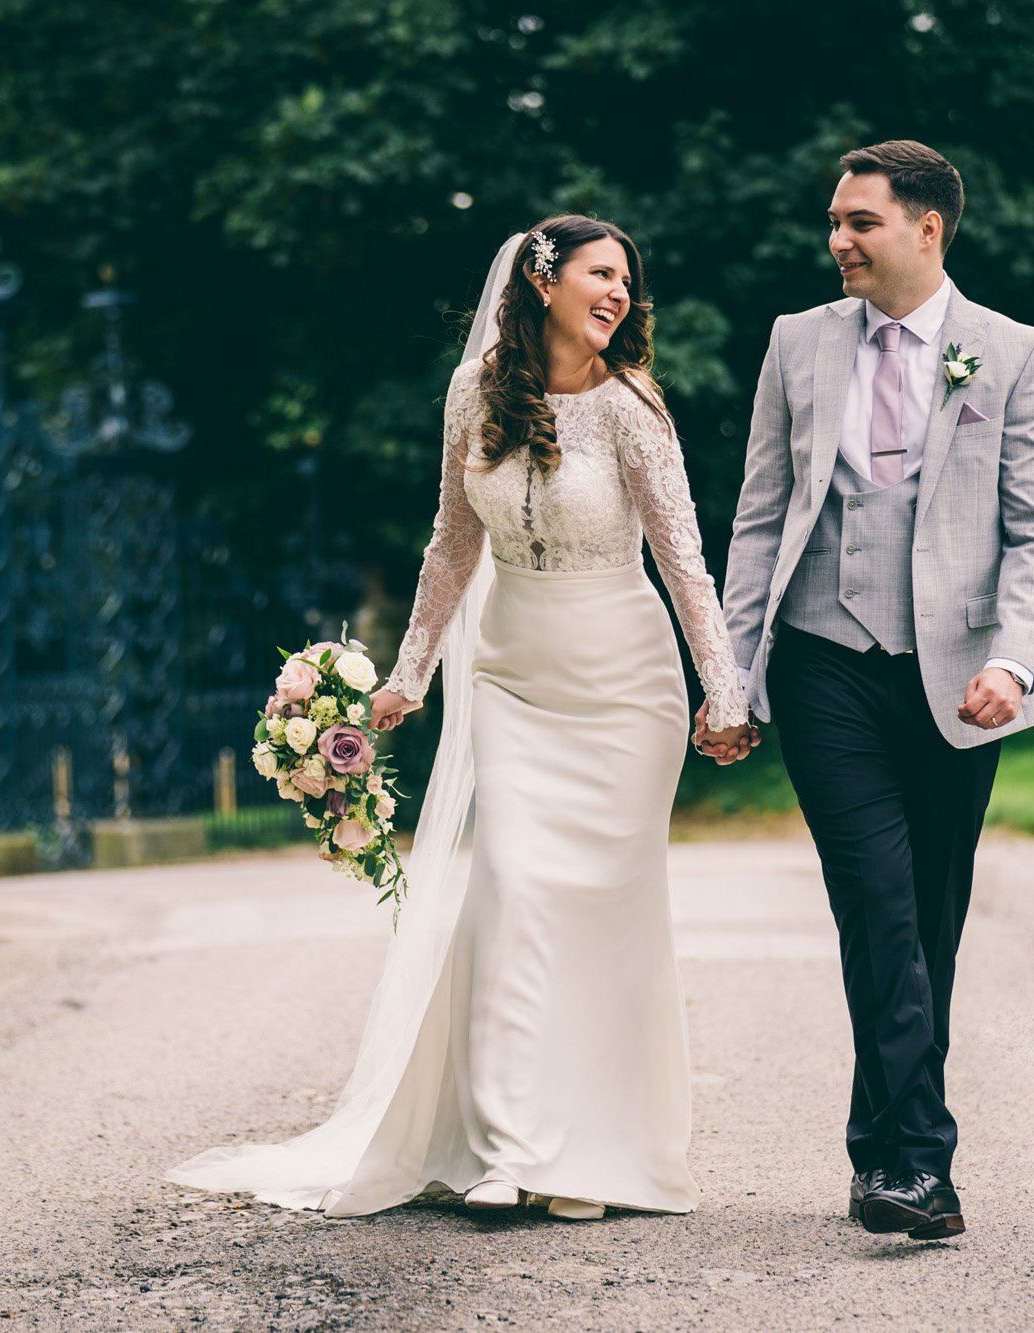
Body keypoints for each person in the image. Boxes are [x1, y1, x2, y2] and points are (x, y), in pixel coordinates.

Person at [169, 215, 752, 1221]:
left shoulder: (629, 408)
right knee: (518, 895)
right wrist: (409, 675)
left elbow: (683, 558)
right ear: (540, 281)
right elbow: (449, 544)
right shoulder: (473, 392)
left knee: (602, 922)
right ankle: (509, 1144)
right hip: (514, 681)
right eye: (597, 275)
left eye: (625, 280)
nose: (617, 293)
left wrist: (724, 689)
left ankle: (591, 1156)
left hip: (624, 687)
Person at [712, 140, 1034, 1240]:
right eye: (831, 221)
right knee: (874, 899)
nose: (836, 241)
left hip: (958, 680)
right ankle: (921, 1164)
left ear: (927, 228)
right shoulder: (795, 343)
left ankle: (882, 1148)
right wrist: (734, 675)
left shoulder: (1011, 354)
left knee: (929, 919)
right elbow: (760, 513)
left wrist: (1011, 661)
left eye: (857, 221)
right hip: (822, 657)